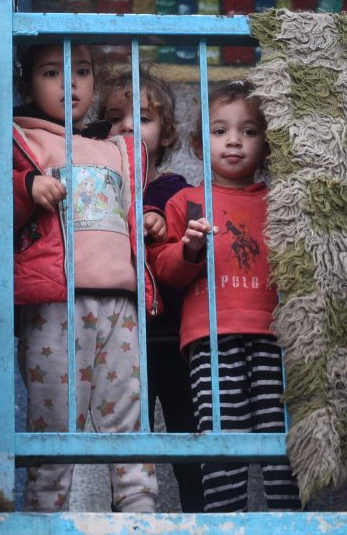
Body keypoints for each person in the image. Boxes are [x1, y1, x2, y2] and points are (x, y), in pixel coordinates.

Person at [12, 43, 159, 513]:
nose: (69, 82)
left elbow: (132, 206)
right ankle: (43, 518)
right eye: (52, 72)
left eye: (81, 71)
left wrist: (152, 218)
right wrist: (27, 186)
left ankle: (140, 516)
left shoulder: (113, 148)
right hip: (57, 304)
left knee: (129, 423)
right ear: (28, 83)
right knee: (54, 428)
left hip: (120, 302)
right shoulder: (21, 137)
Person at [148, 81, 301, 512]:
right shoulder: (187, 202)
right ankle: (224, 523)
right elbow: (165, 271)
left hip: (275, 337)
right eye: (220, 131)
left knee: (283, 441)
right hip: (210, 340)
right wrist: (190, 249)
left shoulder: (281, 202)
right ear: (200, 143)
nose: (234, 141)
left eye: (249, 131)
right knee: (222, 442)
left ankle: (287, 524)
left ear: (268, 145)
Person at [98, 66, 204, 512]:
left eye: (141, 117)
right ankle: (128, 517)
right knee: (127, 443)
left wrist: (161, 221)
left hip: (173, 337)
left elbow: (184, 239)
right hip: (121, 337)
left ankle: (200, 515)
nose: (127, 125)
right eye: (115, 116)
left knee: (189, 437)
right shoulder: (99, 186)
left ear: (165, 134)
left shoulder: (173, 189)